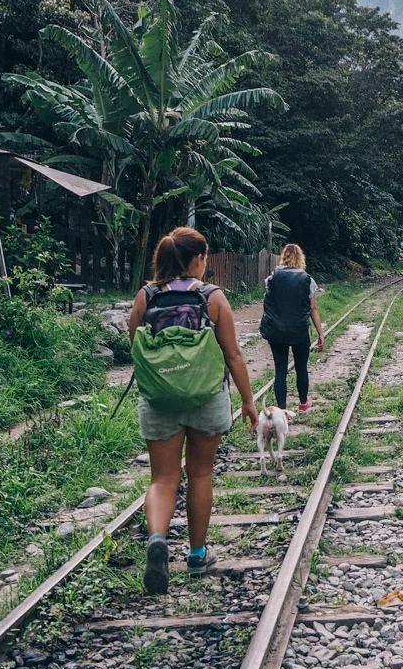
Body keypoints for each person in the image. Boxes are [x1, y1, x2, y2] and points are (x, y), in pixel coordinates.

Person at [128, 227, 258, 594]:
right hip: (206, 397)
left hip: (160, 400)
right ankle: (197, 555)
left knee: (162, 479)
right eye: (204, 256)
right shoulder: (212, 297)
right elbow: (233, 354)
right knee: (200, 474)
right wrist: (248, 401)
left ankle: (157, 538)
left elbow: (136, 347)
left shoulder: (145, 296)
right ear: (197, 259)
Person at [261, 243, 325, 413]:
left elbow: (268, 304)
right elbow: (313, 308)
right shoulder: (307, 280)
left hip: (276, 331)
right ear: (300, 258)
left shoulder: (271, 278)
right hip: (299, 330)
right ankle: (303, 403)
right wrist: (320, 333)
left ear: (284, 257)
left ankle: (282, 411)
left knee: (280, 369)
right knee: (301, 367)